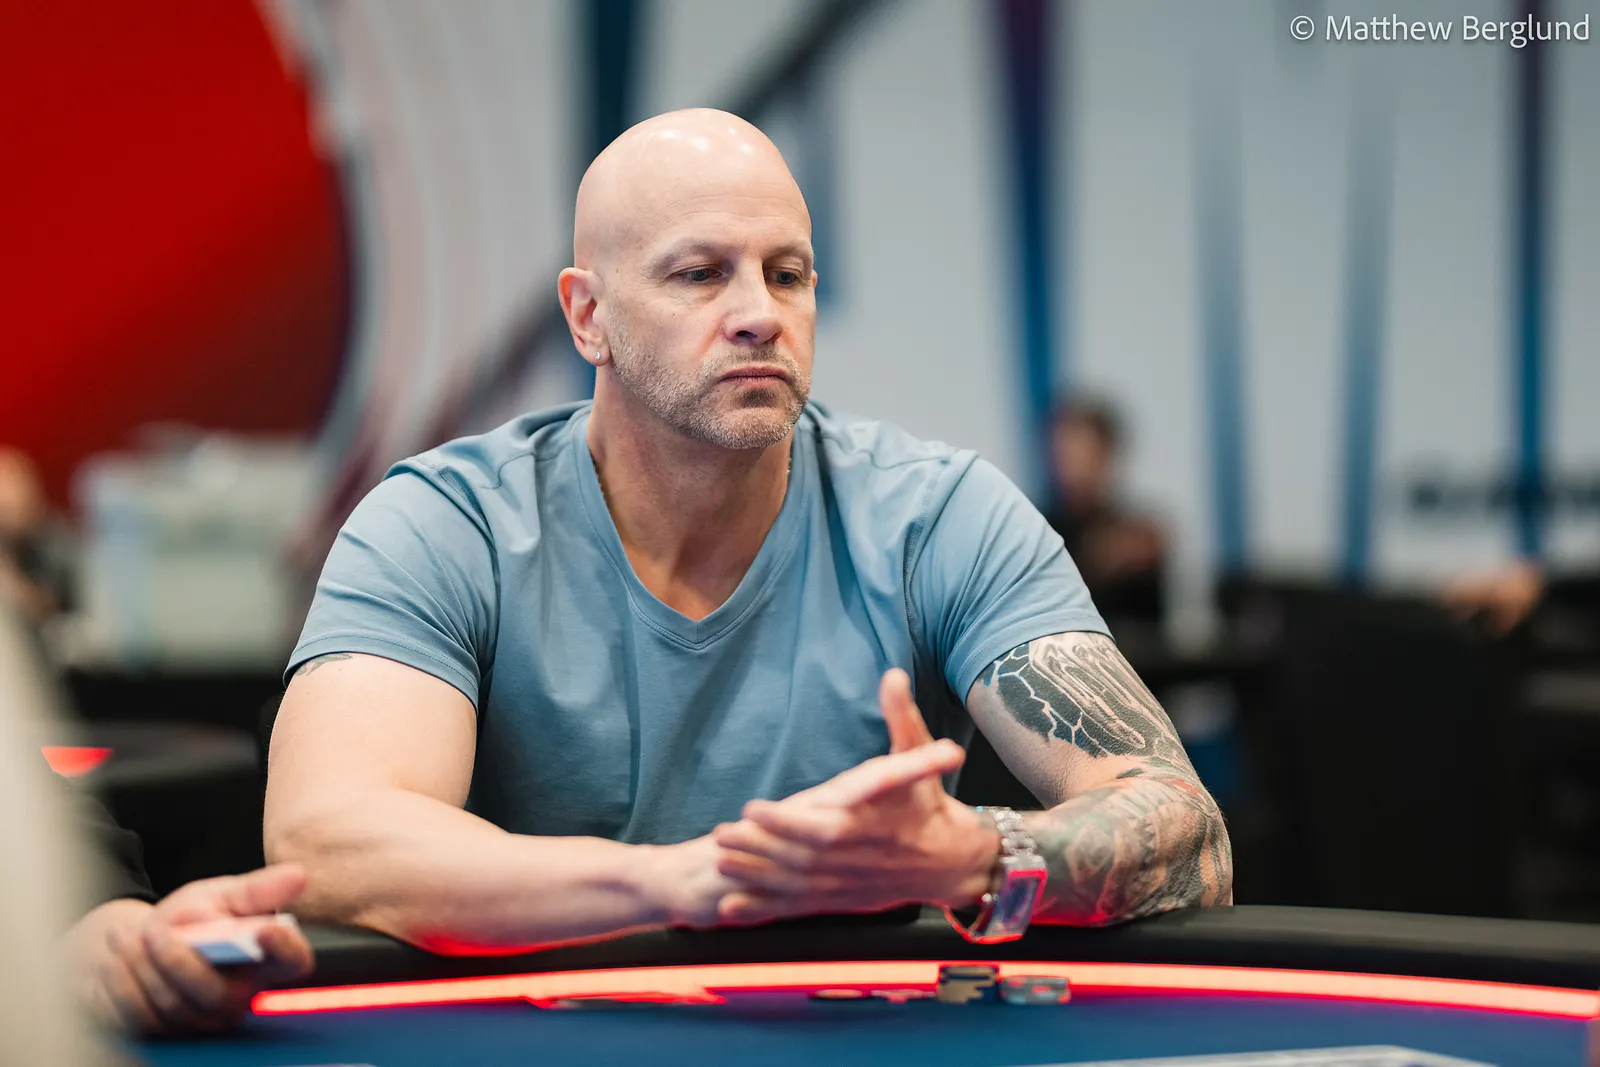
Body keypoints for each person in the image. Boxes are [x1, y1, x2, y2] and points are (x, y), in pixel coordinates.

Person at [264, 109, 1231, 954]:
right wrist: (688, 881)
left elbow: (1189, 833)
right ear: (588, 316)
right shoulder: (446, 524)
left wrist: (976, 854)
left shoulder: (940, 516)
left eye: (787, 274)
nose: (760, 315)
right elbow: (328, 839)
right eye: (700, 274)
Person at [1041, 397, 1168, 631]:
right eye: (1065, 456)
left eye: (1083, 455)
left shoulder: (1139, 535)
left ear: (1107, 454)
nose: (1072, 469)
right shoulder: (1037, 531)